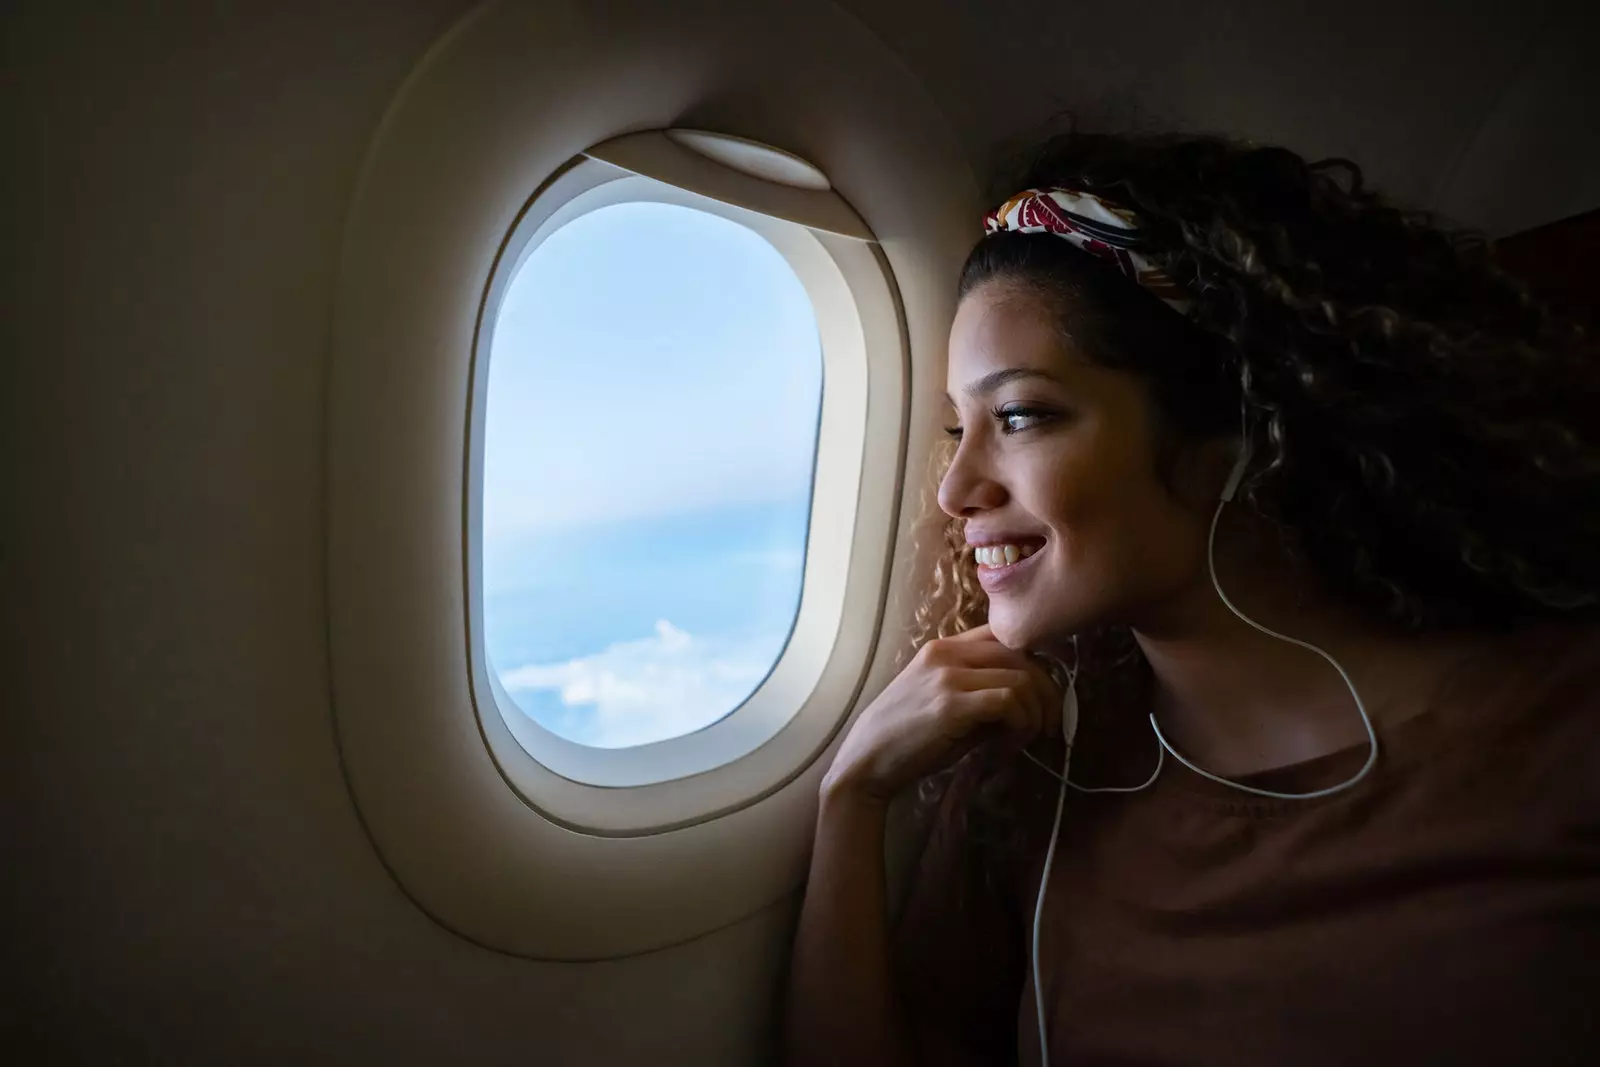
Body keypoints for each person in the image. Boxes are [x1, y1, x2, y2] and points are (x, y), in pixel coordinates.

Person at [781, 131, 1600, 1067]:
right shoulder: (1034, 771)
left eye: (1019, 416)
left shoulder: (1564, 728)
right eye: (956, 429)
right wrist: (853, 798)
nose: (954, 487)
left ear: (1241, 427)